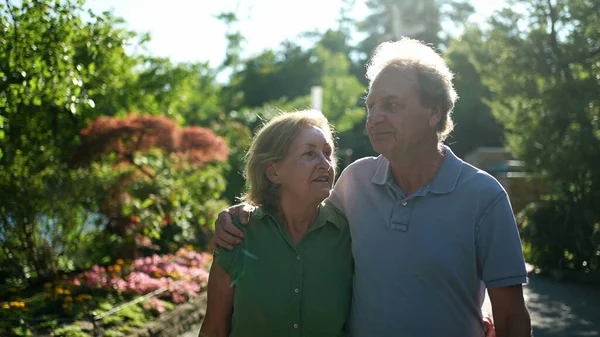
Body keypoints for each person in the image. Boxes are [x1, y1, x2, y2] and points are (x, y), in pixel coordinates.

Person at [214, 37, 531, 337]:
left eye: (391, 106)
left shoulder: (484, 197)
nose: (374, 118)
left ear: (434, 111)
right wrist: (243, 211)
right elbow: (299, 213)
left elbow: (511, 315)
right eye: (371, 106)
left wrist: (480, 314)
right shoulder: (355, 182)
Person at [200, 110, 353, 337]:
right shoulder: (238, 234)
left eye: (327, 153)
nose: (325, 164)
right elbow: (214, 329)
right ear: (274, 172)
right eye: (309, 153)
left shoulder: (349, 232)